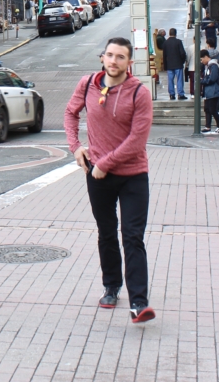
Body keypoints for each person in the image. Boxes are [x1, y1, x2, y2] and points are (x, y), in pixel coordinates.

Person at [64, 37, 155, 324]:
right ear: (102, 57)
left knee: (132, 237)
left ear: (129, 62)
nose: (114, 61)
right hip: (98, 176)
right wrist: (75, 147)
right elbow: (70, 113)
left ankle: (139, 303)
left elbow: (137, 140)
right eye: (110, 56)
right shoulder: (88, 83)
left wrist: (104, 163)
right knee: (106, 232)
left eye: (121, 57)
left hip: (133, 176)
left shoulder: (139, 93)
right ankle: (111, 286)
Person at [200, 50, 219, 134]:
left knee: (213, 110)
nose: (201, 61)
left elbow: (212, 78)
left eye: (201, 59)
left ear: (206, 57)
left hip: (214, 91)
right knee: (207, 109)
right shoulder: (207, 66)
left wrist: (203, 81)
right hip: (208, 92)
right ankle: (208, 126)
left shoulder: (213, 66)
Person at [162, 28, 187, 100]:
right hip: (178, 64)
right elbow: (182, 53)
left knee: (170, 80)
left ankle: (172, 94)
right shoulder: (178, 42)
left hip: (169, 65)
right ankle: (180, 94)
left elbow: (164, 55)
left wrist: (165, 66)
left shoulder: (166, 43)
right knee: (179, 80)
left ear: (169, 33)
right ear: (176, 34)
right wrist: (182, 61)